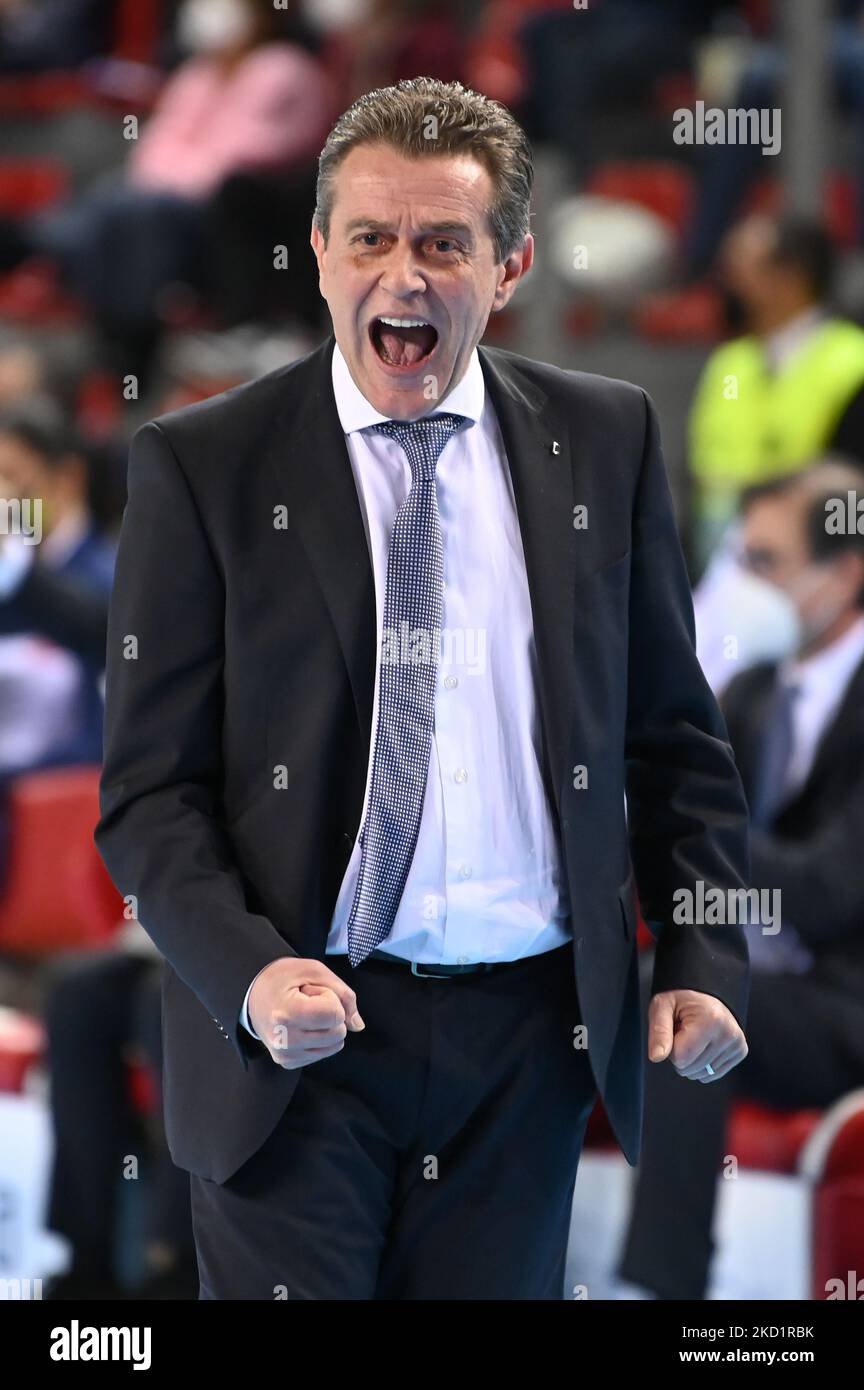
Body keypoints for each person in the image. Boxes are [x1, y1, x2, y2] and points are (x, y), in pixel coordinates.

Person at [95, 76, 751, 1301]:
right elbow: (148, 794)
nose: (405, 273)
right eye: (372, 239)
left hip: (527, 1046)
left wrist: (708, 954)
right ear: (322, 259)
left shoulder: (610, 439)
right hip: (296, 1045)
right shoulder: (204, 466)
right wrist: (246, 971)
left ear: (509, 268)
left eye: (445, 242)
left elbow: (673, 738)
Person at [617, 460, 864, 1301]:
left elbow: (833, 891)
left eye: (765, 562)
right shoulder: (757, 691)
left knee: (681, 998)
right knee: (583, 982)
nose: (741, 585)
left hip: (845, 1001)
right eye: (737, 558)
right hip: (773, 979)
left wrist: (700, 828)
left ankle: (663, 1287)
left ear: (846, 570)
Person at [688, 213, 864, 568]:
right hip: (720, 557)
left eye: (745, 268)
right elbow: (698, 472)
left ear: (791, 277)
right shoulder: (729, 361)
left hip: (818, 563)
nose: (729, 282)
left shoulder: (853, 360)